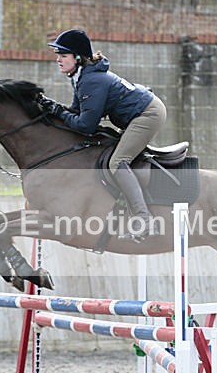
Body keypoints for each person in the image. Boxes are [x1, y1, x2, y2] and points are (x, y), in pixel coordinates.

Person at [43, 29, 166, 240]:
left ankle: (144, 221)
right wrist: (53, 109)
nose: (58, 60)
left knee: (117, 163)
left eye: (63, 55)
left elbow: (85, 125)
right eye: (58, 55)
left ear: (78, 58)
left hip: (148, 114)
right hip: (140, 113)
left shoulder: (91, 80)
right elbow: (75, 112)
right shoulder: (82, 76)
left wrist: (58, 112)